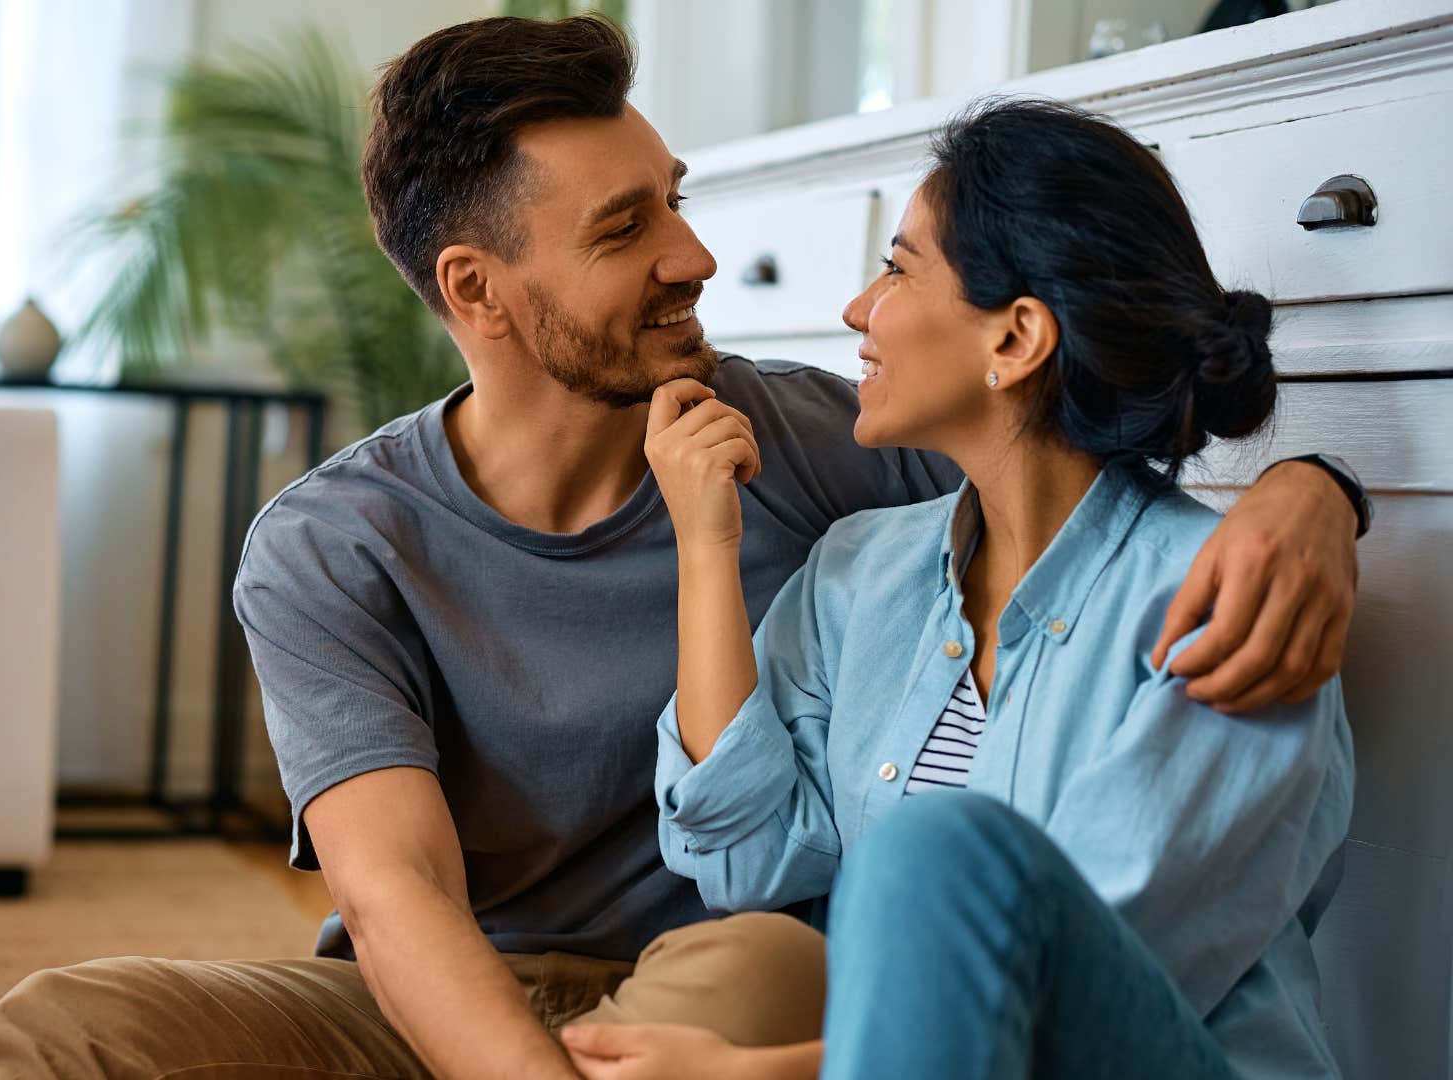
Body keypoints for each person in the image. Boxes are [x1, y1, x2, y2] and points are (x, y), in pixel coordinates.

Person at [0, 18, 1365, 1080]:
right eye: (630, 226)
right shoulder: (334, 542)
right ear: (478, 290)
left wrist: (1313, 494)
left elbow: (1091, 446)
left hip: (727, 993)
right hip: (451, 1009)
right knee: (61, 1033)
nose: (692, 255)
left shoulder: (818, 442)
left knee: (779, 954)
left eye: (675, 197)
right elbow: (398, 906)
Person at [559, 98, 1352, 1080]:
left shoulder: (1227, 596)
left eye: (898, 268)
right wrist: (706, 544)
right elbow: (746, 858)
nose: (858, 309)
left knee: (934, 850)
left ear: (1015, 340)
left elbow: (1081, 978)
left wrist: (752, 1075)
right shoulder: (860, 571)